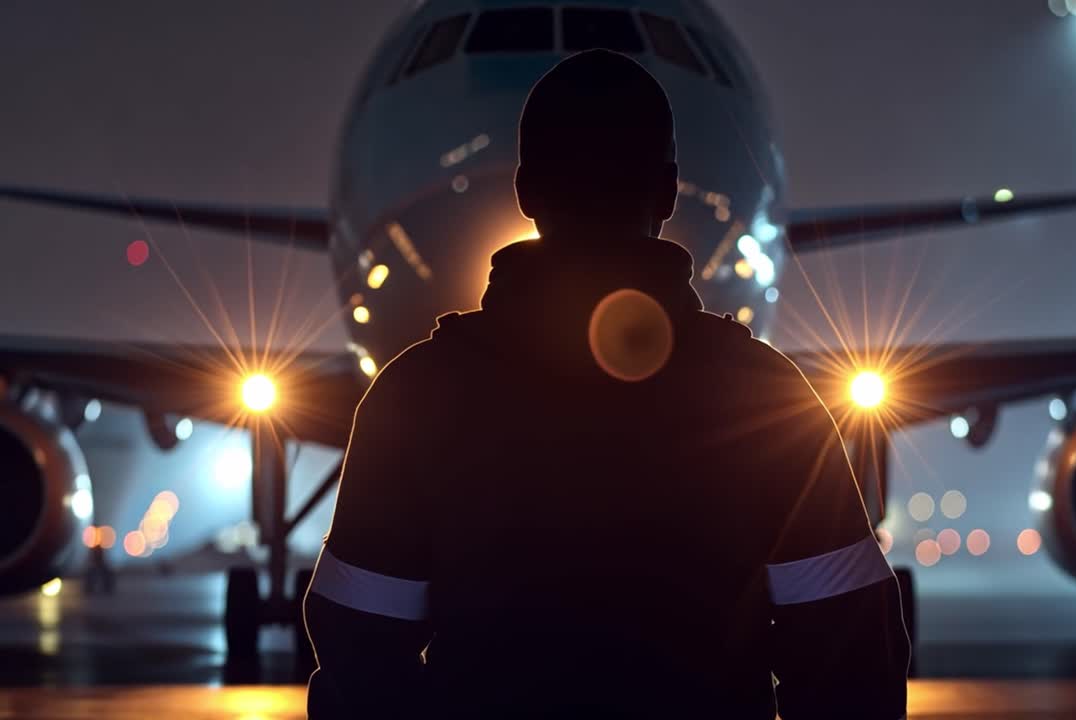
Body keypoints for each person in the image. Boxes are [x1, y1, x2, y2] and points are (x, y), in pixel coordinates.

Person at [304, 49, 909, 719]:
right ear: (668, 191)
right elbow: (851, 655)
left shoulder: (413, 394)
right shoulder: (768, 395)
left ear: (525, 192)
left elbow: (358, 652)